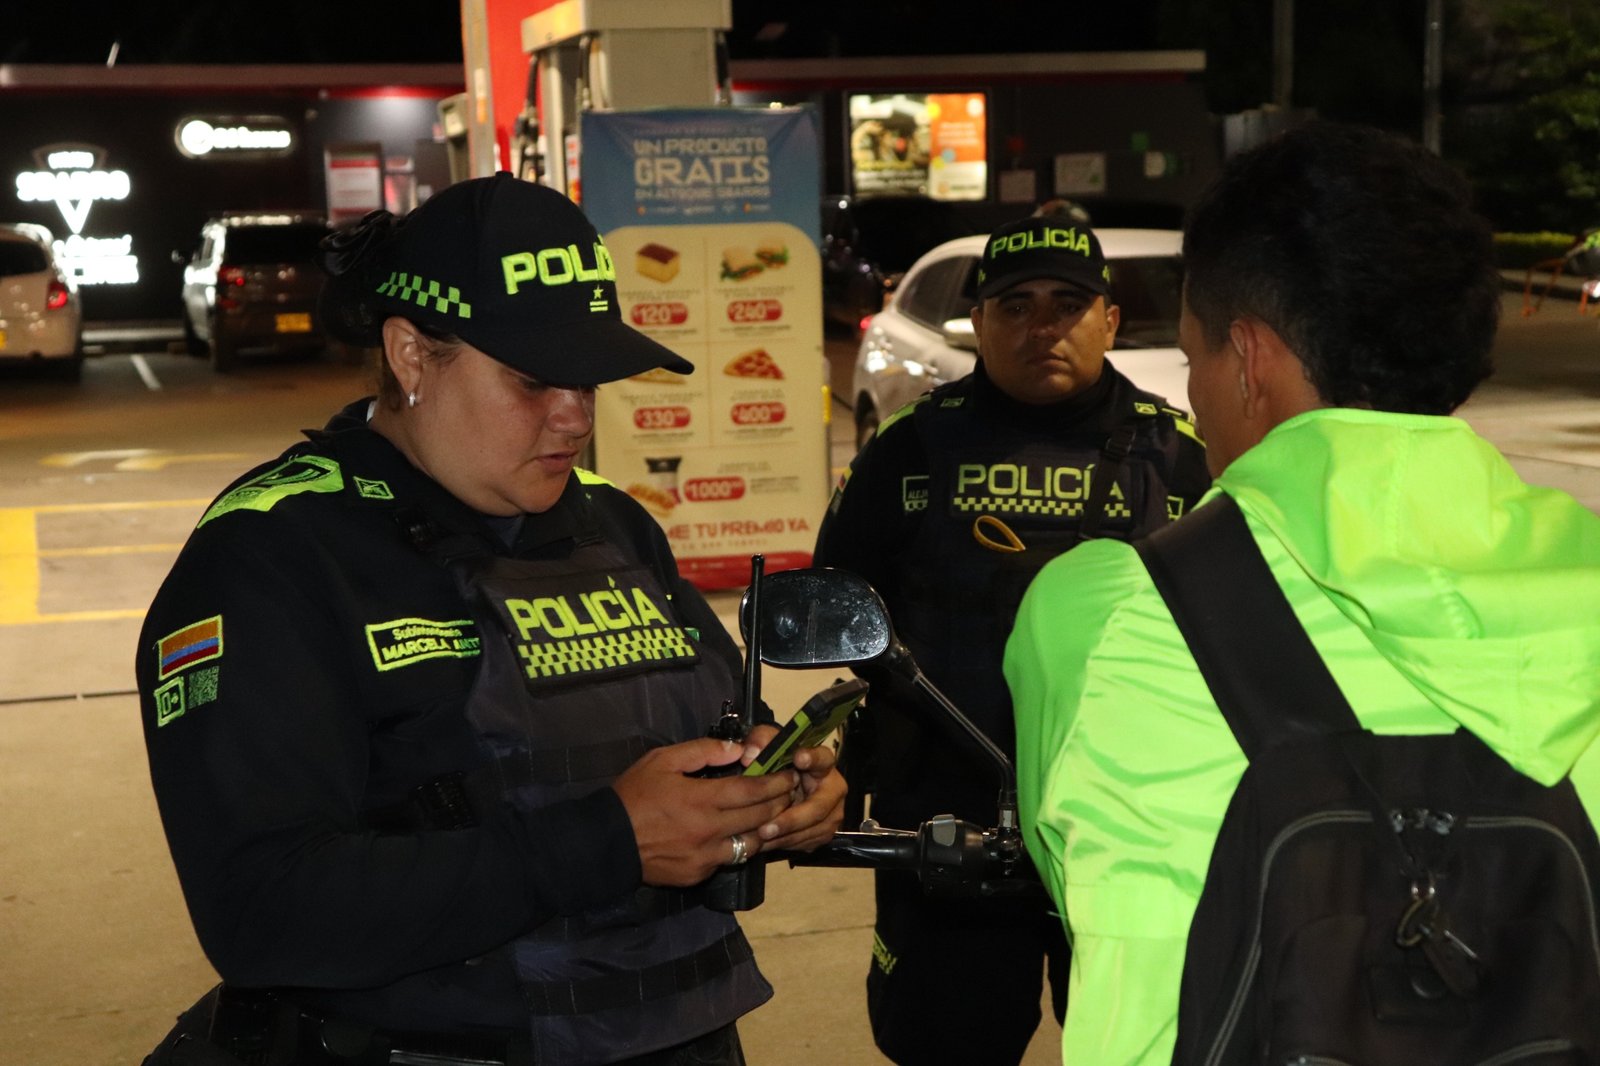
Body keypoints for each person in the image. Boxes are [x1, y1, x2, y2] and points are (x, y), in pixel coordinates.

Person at [137, 173, 846, 1066]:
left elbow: (699, 731)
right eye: (535, 381)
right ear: (409, 356)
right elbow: (259, 912)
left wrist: (772, 789)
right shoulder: (272, 552)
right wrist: (610, 841)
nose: (575, 417)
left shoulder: (612, 521)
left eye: (590, 381)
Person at [1006, 120, 1600, 1065]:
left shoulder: (1104, 610)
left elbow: (1062, 875)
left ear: (1249, 359)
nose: (1194, 397)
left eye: (1195, 358)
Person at [811, 214, 1210, 1065]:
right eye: (1016, 306)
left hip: (1128, 832)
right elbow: (837, 600)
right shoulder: (911, 448)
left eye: (1069, 305)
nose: (1043, 327)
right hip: (945, 827)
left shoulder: (1178, 456)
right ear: (979, 324)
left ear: (1109, 320)